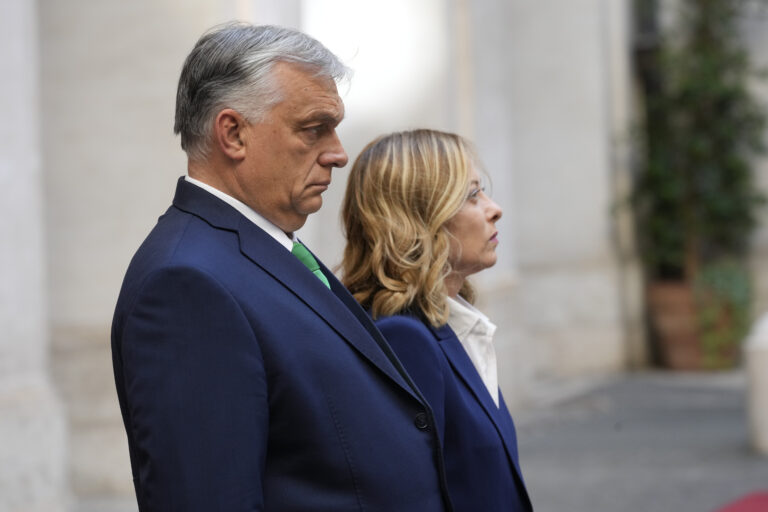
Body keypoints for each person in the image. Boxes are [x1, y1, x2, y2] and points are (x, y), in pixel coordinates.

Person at [111, 24, 452, 511]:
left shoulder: (261, 248)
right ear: (233, 133)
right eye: (314, 129)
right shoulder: (186, 284)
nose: (338, 154)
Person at [341, 129, 533, 511]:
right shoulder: (402, 337)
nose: (494, 208)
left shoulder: (446, 323)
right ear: (419, 218)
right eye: (472, 195)